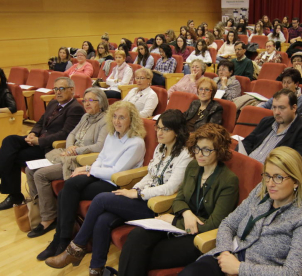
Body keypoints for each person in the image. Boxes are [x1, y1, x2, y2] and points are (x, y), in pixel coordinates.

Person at [43, 109, 193, 274]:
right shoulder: (160, 148)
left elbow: (171, 187)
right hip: (143, 197)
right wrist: (135, 189)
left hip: (158, 206)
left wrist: (137, 194)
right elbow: (150, 175)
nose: (159, 132)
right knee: (102, 219)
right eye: (158, 127)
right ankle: (96, 269)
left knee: (101, 199)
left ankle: (75, 249)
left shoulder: (185, 156)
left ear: (177, 132)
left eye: (165, 129)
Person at [180, 146, 302, 276]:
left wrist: (239, 268)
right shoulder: (261, 192)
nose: (270, 184)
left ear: (295, 181)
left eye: (278, 177)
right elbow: (229, 224)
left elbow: (293, 272)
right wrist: (225, 253)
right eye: (267, 176)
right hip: (227, 258)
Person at [117, 123, 239, 275]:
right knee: (136, 236)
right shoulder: (194, 166)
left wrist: (174, 221)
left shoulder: (228, 180)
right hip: (180, 223)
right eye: (197, 148)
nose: (200, 154)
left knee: (140, 255)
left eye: (207, 150)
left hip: (198, 236)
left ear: (219, 151)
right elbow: (179, 199)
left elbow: (215, 224)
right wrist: (186, 213)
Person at [39, 101, 146, 261]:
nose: (117, 121)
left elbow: (116, 172)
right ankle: (61, 240)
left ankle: (61, 241)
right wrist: (90, 168)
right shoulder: (112, 134)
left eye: (122, 117)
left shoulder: (136, 143)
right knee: (66, 189)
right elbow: (101, 157)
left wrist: (88, 169)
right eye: (115, 117)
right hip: (99, 174)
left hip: (116, 182)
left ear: (132, 120)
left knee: (68, 190)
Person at [25, 88, 109, 238]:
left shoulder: (105, 120)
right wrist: (70, 146)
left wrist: (76, 150)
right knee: (29, 169)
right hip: (67, 154)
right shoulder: (86, 117)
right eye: (85, 100)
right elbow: (71, 134)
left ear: (101, 103)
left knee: (40, 175)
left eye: (91, 100)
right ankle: (41, 210)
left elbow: (99, 146)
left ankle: (48, 218)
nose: (86, 104)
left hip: (82, 160)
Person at [0, 77, 84, 210]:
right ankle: (9, 188)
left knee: (13, 156)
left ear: (72, 90)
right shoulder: (53, 103)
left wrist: (39, 140)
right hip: (38, 139)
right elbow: (40, 122)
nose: (58, 92)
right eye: (55, 89)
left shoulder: (75, 109)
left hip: (49, 147)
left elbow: (65, 134)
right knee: (9, 140)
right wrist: (33, 133)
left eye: (61, 89)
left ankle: (15, 196)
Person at [240, 89, 302, 167]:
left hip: (269, 175)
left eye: (281, 108)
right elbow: (247, 142)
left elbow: (296, 165)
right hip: (246, 166)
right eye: (274, 107)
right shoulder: (266, 121)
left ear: (294, 108)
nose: (276, 112)